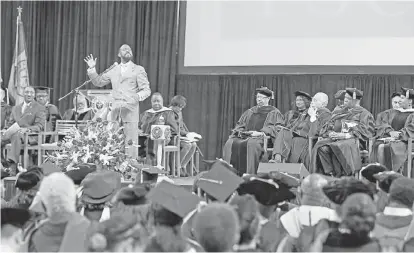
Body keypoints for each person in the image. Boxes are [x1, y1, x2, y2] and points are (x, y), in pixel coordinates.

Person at [84, 44, 151, 159]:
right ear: (119, 54)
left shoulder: (138, 69)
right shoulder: (113, 69)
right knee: (112, 141)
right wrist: (92, 69)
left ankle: (130, 170)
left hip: (130, 111)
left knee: (130, 143)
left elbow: (146, 90)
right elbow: (98, 82)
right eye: (124, 49)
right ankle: (113, 168)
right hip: (115, 111)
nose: (128, 50)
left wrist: (137, 96)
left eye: (130, 49)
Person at [310, 88, 375, 177]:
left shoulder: (364, 114)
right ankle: (329, 173)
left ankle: (341, 175)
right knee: (321, 146)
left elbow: (367, 131)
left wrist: (345, 135)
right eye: (345, 98)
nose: (345, 100)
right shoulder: (339, 112)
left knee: (336, 147)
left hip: (353, 141)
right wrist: (330, 133)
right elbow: (328, 126)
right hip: (335, 139)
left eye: (348, 99)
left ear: (355, 100)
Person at [223, 87, 284, 175]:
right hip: (246, 136)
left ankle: (251, 174)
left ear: (268, 99)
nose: (259, 99)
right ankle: (229, 174)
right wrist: (240, 132)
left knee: (251, 144)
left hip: (262, 138)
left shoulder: (274, 112)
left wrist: (261, 132)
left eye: (262, 97)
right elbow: (240, 125)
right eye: (257, 97)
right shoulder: (250, 111)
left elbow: (279, 128)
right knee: (230, 143)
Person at [270, 92, 331, 168]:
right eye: (312, 100)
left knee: (294, 140)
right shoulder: (309, 112)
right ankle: (277, 159)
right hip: (299, 135)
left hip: (309, 140)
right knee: (283, 132)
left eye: (315, 100)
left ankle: (284, 165)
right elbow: (296, 126)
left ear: (323, 104)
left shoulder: (325, 114)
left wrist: (313, 116)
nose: (312, 103)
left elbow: (315, 133)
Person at [1, 86, 46, 170]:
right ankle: (3, 164)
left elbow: (39, 126)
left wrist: (27, 129)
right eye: (27, 92)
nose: (29, 94)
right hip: (15, 134)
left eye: (31, 93)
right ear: (23, 94)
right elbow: (10, 124)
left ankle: (11, 164)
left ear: (34, 95)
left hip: (31, 136)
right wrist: (5, 129)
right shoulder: (15, 108)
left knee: (17, 135)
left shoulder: (39, 108)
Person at [371, 88, 414, 173]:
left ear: (410, 101)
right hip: (391, 140)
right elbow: (384, 124)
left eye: (402, 98)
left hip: (407, 142)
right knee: (376, 145)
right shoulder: (393, 112)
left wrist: (399, 135)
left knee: (383, 147)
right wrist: (390, 131)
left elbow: (411, 128)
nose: (400, 101)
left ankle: (387, 174)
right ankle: (379, 174)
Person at [139, 93, 179, 165]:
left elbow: (173, 129)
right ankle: (142, 165)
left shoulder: (168, 112)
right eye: (154, 101)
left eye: (158, 101)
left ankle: (155, 166)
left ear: (162, 102)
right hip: (147, 137)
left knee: (154, 142)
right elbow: (140, 127)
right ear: (151, 102)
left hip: (163, 138)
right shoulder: (147, 113)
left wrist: (165, 133)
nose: (156, 103)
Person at [169, 95, 201, 176]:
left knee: (193, 144)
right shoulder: (169, 113)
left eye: (182, 107)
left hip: (180, 136)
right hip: (171, 137)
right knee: (187, 145)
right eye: (179, 107)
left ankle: (183, 165)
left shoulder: (179, 113)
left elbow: (181, 127)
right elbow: (175, 129)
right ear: (174, 105)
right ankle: (176, 167)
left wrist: (188, 135)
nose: (180, 109)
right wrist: (186, 134)